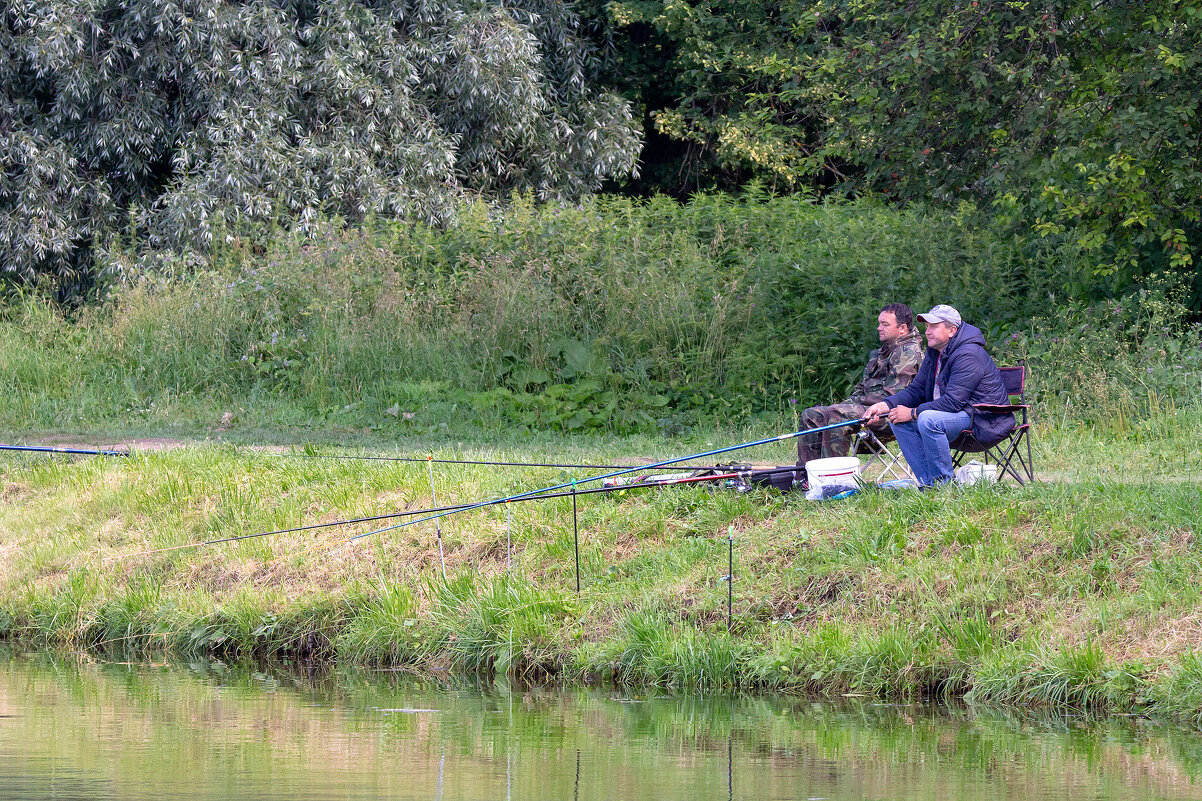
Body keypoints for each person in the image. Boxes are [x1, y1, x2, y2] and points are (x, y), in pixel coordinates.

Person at [864, 305, 1014, 487]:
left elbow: (953, 402)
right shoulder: (935, 352)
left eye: (933, 326)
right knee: (897, 418)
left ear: (952, 330)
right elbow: (916, 390)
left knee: (928, 419)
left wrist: (912, 413)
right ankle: (930, 484)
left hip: (985, 419)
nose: (927, 332)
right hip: (959, 416)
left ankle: (943, 485)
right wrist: (885, 405)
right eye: (926, 327)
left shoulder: (968, 354)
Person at [796, 303, 923, 466]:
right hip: (868, 410)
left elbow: (894, 397)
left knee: (836, 414)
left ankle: (833, 479)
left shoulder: (908, 352)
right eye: (879, 323)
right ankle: (806, 476)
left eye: (885, 324)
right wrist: (844, 406)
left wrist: (843, 409)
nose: (879, 328)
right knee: (811, 415)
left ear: (902, 328)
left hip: (891, 415)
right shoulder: (882, 352)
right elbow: (861, 390)